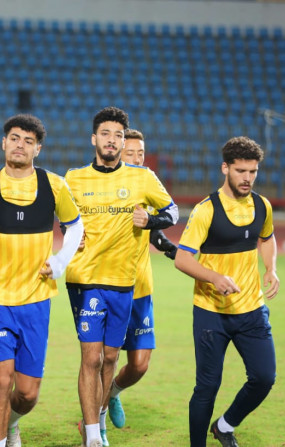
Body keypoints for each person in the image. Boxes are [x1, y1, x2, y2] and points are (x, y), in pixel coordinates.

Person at [0, 114, 84, 447]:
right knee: (0, 380)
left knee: (27, 393)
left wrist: (59, 262)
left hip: (36, 299)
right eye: (14, 138)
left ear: (37, 149)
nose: (20, 145)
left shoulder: (54, 185)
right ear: (3, 143)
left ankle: (12, 421)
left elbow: (76, 226)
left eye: (28, 141)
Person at [65, 107, 177, 447]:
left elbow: (171, 211)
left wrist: (152, 223)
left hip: (127, 281)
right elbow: (60, 216)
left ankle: (100, 414)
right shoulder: (74, 178)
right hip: (85, 279)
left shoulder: (142, 178)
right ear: (94, 139)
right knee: (92, 357)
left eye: (118, 135)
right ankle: (93, 436)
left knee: (114, 359)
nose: (112, 140)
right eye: (106, 134)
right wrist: (69, 233)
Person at [174, 136, 279, 447]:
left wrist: (270, 268)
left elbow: (267, 238)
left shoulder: (262, 205)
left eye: (253, 171)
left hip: (252, 311)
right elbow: (182, 259)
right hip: (212, 314)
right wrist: (214, 278)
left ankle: (224, 426)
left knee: (264, 378)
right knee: (207, 387)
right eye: (240, 171)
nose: (247, 178)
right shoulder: (206, 210)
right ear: (225, 168)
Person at [105, 129, 178, 439]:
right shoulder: (105, 186)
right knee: (106, 359)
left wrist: (170, 247)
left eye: (141, 153)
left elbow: (158, 222)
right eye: (130, 153)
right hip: (107, 286)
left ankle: (112, 393)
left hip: (140, 288)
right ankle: (94, 426)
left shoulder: (145, 183)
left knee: (139, 365)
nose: (137, 159)